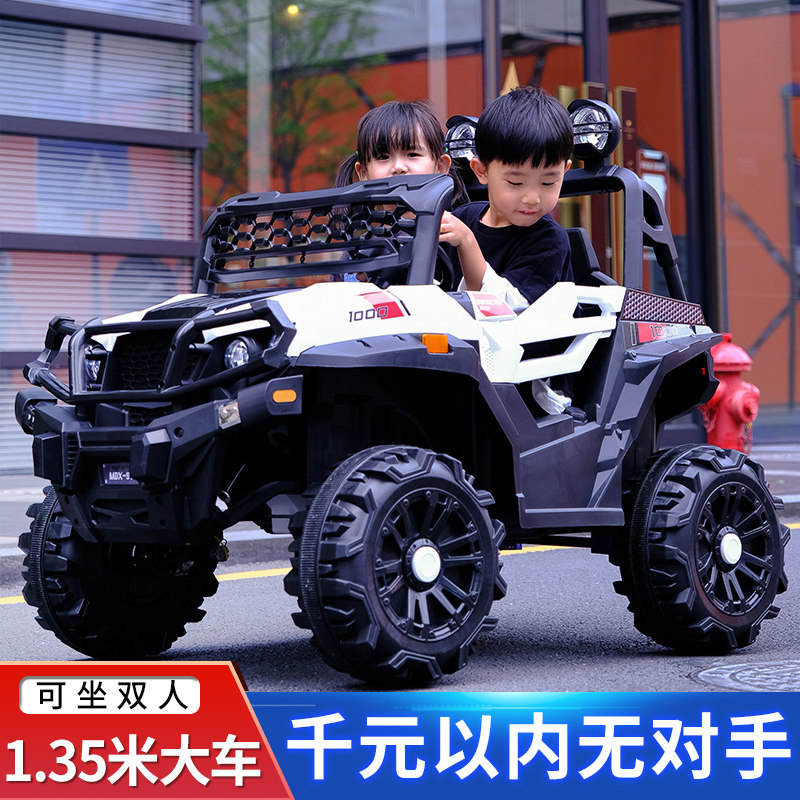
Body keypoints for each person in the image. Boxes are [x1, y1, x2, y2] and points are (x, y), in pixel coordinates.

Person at [439, 85, 574, 312]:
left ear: (564, 171)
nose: (532, 198)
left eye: (548, 183)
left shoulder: (550, 241)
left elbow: (505, 306)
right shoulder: (462, 218)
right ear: (481, 171)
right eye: (515, 182)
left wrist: (467, 242)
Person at [335, 99, 468, 206]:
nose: (398, 167)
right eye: (383, 157)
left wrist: (464, 234)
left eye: (412, 154)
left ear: (440, 166)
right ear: (364, 173)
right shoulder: (358, 233)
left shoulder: (463, 226)